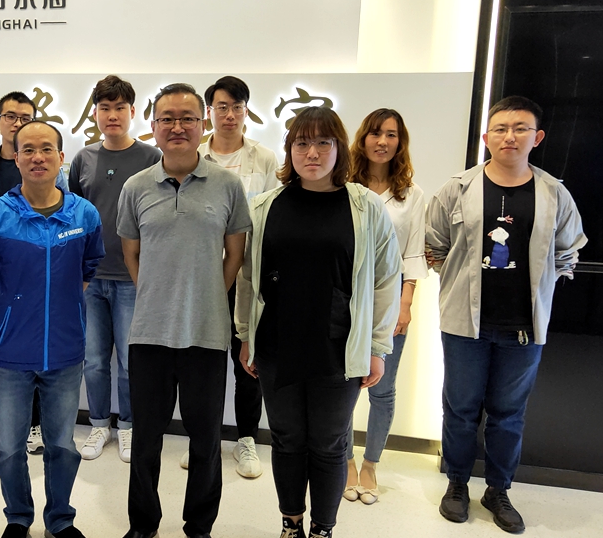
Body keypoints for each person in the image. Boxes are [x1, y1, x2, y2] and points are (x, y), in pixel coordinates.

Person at [235, 106, 401, 538]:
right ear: (289, 150)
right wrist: (246, 336)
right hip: (277, 344)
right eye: (301, 143)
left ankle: (323, 529)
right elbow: (249, 277)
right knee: (287, 439)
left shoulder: (365, 207)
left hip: (338, 348)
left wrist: (377, 347)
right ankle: (290, 523)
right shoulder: (264, 207)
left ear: (339, 148)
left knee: (329, 444)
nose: (312, 153)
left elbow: (386, 279)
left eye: (323, 143)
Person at [426, 96, 586, 534]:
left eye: (520, 128)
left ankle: (498, 489)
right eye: (500, 128)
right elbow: (435, 244)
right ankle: (457, 483)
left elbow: (569, 248)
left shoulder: (554, 192)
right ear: (486, 137)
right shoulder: (458, 188)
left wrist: (543, 285)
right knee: (460, 409)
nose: (509, 136)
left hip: (523, 328)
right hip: (465, 324)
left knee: (508, 414)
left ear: (537, 137)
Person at [117, 83, 251, 538]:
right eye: (167, 118)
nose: (177, 127)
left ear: (202, 123)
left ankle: (199, 527)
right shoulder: (136, 187)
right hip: (148, 334)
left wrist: (207, 296)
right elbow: (131, 254)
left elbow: (235, 254)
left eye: (187, 118)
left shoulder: (228, 185)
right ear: (153, 126)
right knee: (146, 439)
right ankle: (143, 525)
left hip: (207, 333)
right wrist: (159, 295)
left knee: (206, 439)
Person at [0, 121, 104, 538]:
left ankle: (60, 520)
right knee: (9, 448)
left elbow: (88, 268)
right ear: (16, 157)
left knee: (61, 445)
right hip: (10, 352)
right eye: (27, 149)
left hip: (65, 350)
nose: (37, 157)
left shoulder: (84, 214)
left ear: (61, 157)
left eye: (47, 149)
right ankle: (17, 518)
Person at [179, 75, 279, 478]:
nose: (230, 115)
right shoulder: (194, 156)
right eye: (222, 107)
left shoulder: (265, 159)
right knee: (202, 361)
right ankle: (202, 439)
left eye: (237, 107)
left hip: (249, 273)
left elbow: (271, 216)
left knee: (247, 360)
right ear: (210, 112)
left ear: (246, 111)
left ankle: (247, 439)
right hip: (203, 271)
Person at [0, 91, 69, 455]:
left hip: (42, 280)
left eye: (25, 117)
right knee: (1, 352)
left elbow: (64, 221)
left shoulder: (53, 169)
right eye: (10, 116)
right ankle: (1, 421)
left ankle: (36, 425)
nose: (17, 123)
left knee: (40, 350)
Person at [69, 75, 161, 463]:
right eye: (104, 108)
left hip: (133, 278)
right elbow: (71, 215)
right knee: (93, 361)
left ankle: (128, 426)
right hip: (90, 278)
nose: (112, 115)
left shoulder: (151, 158)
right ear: (95, 113)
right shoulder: (83, 159)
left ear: (132, 112)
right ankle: (99, 425)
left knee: (128, 362)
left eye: (120, 107)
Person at [343, 108, 428, 504]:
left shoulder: (412, 194)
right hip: (345, 299)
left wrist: (405, 304)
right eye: (375, 133)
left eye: (391, 134)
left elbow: (413, 253)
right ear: (362, 139)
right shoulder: (344, 185)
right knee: (343, 386)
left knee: (383, 389)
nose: (382, 141)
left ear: (400, 142)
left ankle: (371, 464)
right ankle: (346, 461)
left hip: (390, 301)